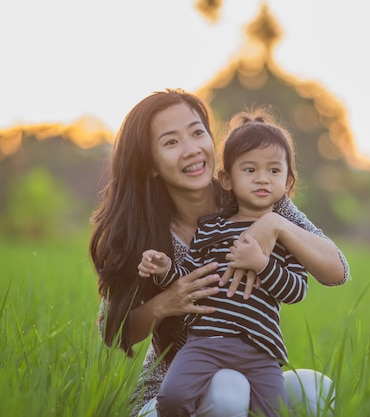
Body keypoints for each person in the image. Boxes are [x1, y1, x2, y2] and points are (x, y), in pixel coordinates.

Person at [88, 89, 350, 417]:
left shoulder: (251, 189)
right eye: (171, 142)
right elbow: (112, 330)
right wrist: (164, 303)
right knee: (229, 389)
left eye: (197, 133)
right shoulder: (143, 230)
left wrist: (274, 224)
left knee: (317, 390)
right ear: (151, 165)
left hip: (249, 367)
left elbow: (337, 270)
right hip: (172, 389)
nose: (192, 150)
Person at [139, 109, 309, 417]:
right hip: (206, 341)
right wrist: (165, 271)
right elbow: (189, 274)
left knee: (272, 412)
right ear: (227, 179)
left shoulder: (286, 234)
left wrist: (262, 264)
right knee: (173, 397)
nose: (262, 178)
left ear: (288, 181)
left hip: (262, 349)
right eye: (249, 170)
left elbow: (297, 290)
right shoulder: (212, 227)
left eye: (274, 171)